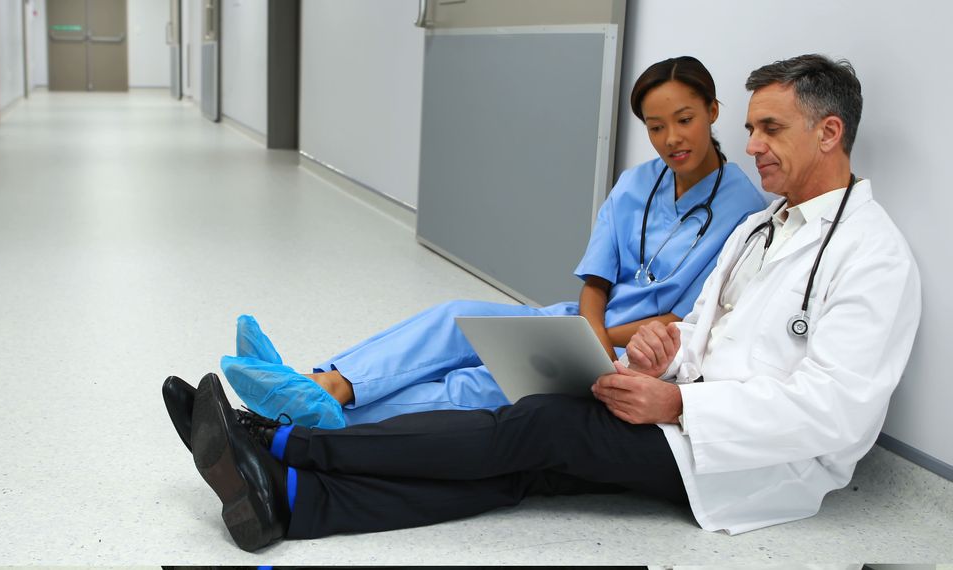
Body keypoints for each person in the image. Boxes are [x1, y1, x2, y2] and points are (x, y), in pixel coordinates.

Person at [182, 54, 921, 552]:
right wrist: (671, 354)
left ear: (830, 133)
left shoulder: (872, 255)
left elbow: (839, 414)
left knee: (533, 424)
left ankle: (279, 441)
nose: (752, 143)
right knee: (520, 467)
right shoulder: (765, 227)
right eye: (753, 126)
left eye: (771, 129)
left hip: (756, 461)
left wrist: (680, 406)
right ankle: (291, 501)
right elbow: (707, 328)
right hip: (679, 403)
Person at [162, 56, 767, 442]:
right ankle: (322, 385)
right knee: (455, 318)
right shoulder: (637, 183)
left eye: (684, 120)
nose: (670, 139)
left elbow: (684, 323)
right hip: (576, 328)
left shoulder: (743, 209)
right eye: (656, 127)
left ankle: (288, 421)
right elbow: (595, 285)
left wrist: (600, 341)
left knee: (474, 385)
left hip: (639, 358)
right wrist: (582, 334)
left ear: (713, 112)